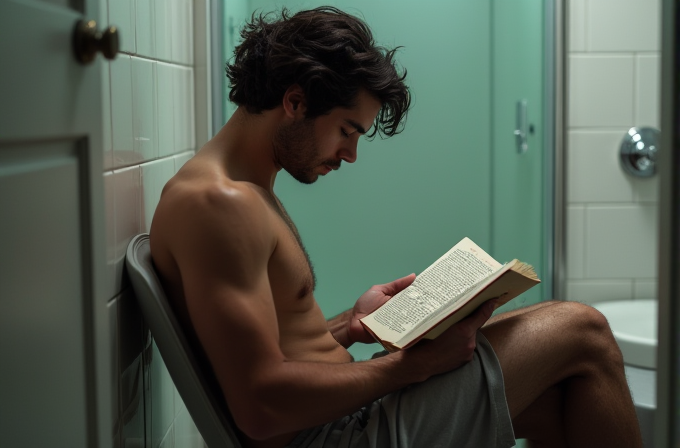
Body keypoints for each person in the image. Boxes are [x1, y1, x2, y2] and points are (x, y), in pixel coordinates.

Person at [150, 7, 643, 448]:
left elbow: (270, 349)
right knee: (584, 329)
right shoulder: (220, 204)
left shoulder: (242, 191)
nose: (350, 154)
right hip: (333, 436)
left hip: (338, 418)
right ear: (295, 101)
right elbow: (260, 406)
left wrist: (351, 325)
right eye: (347, 130)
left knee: (567, 406)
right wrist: (416, 365)